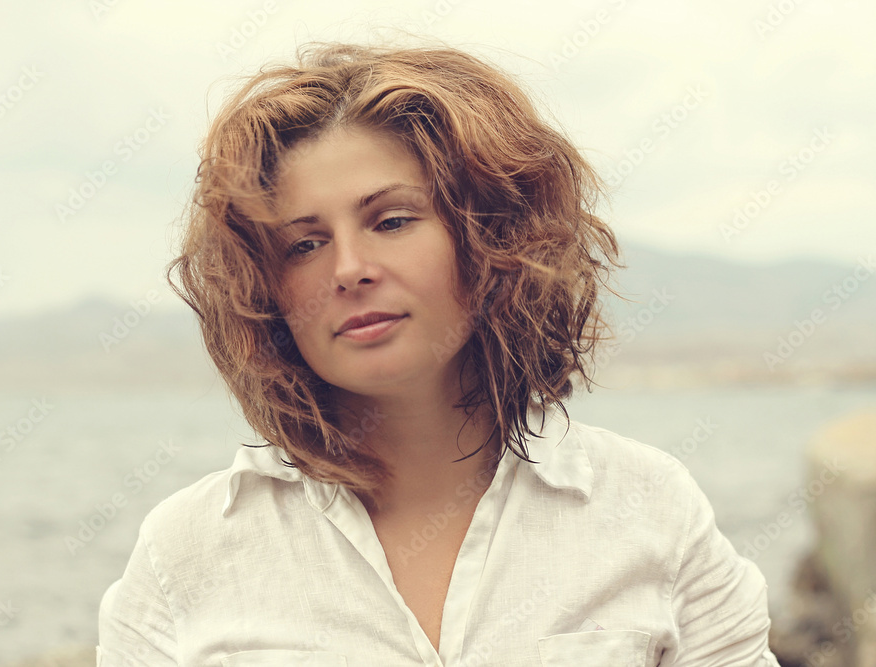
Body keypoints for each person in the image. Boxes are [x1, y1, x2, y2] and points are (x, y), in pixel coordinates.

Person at [96, 39, 780, 666]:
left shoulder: (650, 509)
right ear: (262, 289)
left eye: (391, 220)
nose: (350, 267)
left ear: (491, 239)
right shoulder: (185, 552)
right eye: (304, 243)